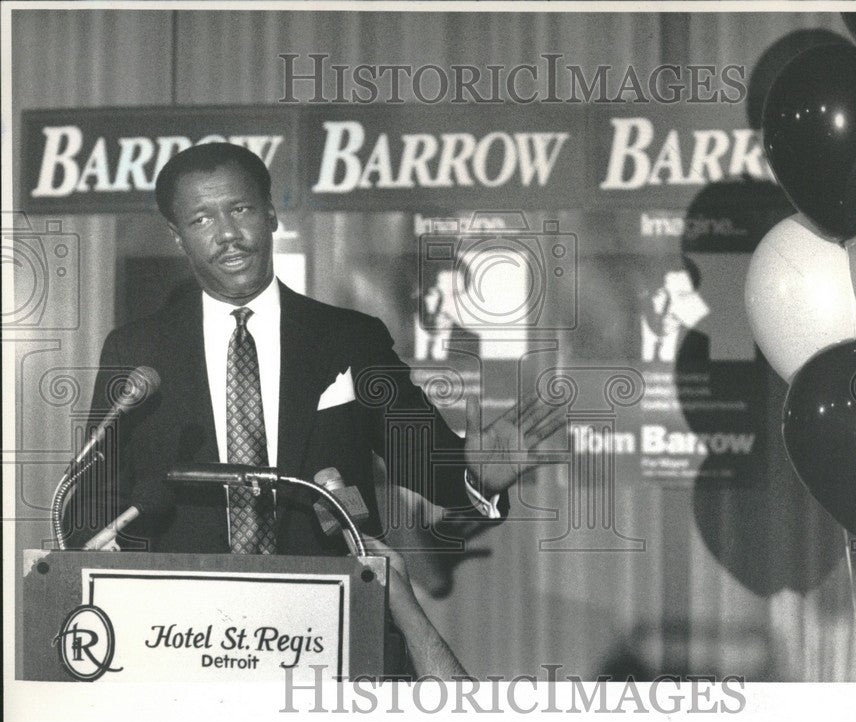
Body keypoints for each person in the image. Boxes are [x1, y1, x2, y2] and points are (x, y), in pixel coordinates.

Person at [79, 142, 564, 676]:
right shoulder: (138, 351)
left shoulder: (350, 339)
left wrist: (478, 475)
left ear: (269, 215)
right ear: (178, 237)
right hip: (186, 638)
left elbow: (426, 464)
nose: (227, 235)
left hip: (330, 630)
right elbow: (90, 495)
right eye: (201, 219)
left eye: (240, 210)